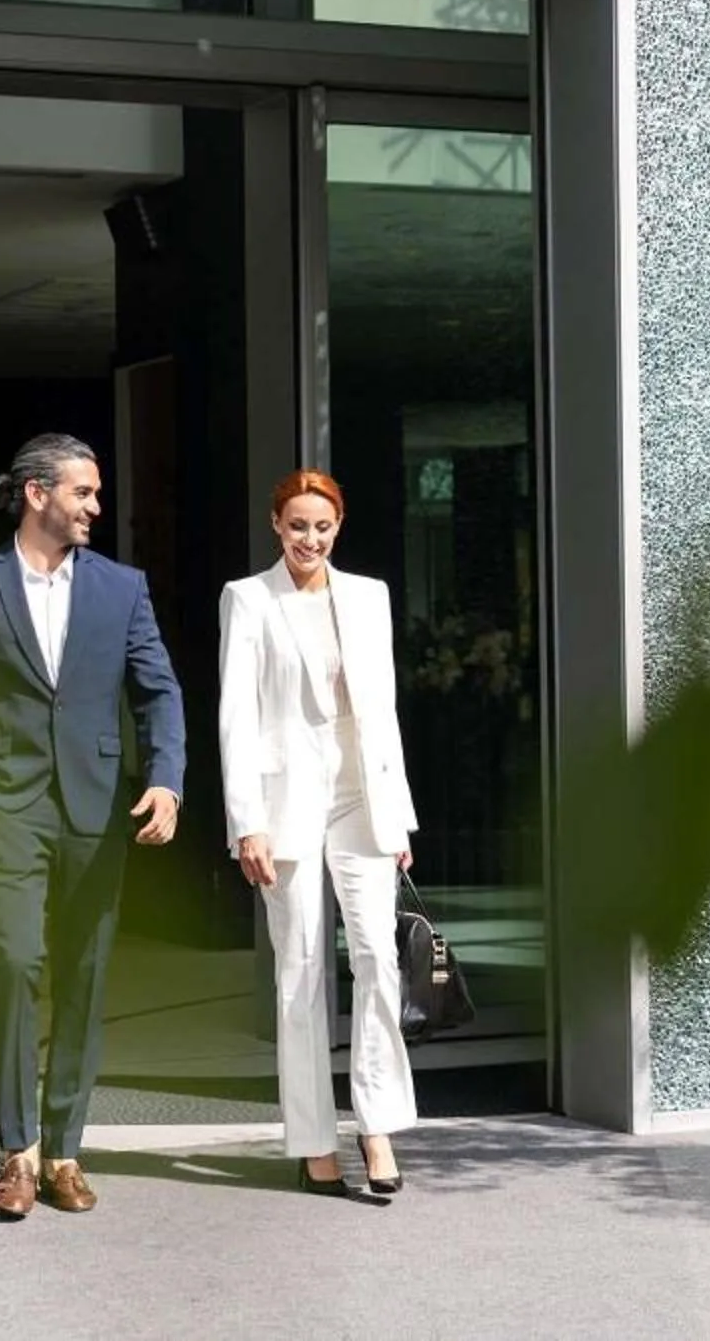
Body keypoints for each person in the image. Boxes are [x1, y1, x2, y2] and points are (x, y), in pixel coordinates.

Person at [0, 433, 186, 1220]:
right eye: (84, 494)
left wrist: (166, 780)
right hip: (5, 802)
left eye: (97, 495)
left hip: (100, 808)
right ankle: (17, 1150)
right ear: (37, 494)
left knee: (86, 972)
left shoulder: (122, 587)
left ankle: (64, 1150)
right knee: (12, 959)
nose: (96, 508)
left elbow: (158, 691)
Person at [220, 468, 420, 1197]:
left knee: (379, 961)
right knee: (300, 972)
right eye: (298, 525)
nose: (310, 538)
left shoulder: (369, 597)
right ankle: (312, 1139)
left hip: (361, 799)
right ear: (277, 525)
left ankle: (376, 1125)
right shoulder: (247, 599)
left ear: (338, 527)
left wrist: (398, 814)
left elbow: (386, 712)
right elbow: (235, 716)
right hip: (286, 807)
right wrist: (248, 824)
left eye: (322, 526)